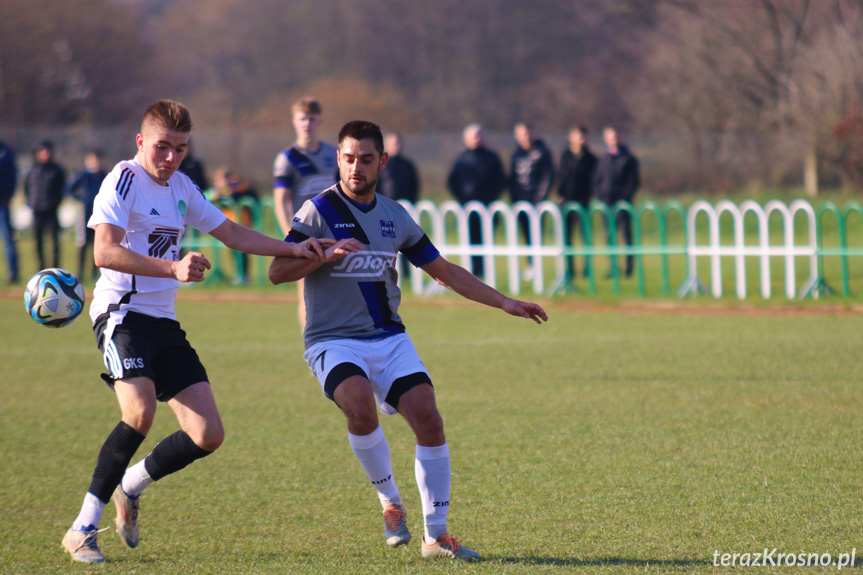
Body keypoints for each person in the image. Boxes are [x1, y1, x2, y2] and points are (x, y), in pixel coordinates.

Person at [60, 100, 331, 564]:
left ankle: (131, 485)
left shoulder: (182, 187)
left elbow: (233, 234)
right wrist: (173, 267)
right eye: (162, 147)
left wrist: (297, 248)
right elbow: (104, 252)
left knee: (207, 434)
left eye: (180, 149)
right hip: (121, 313)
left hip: (163, 321)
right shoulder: (122, 179)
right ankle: (82, 528)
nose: (171, 158)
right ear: (141, 141)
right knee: (140, 412)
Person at [269, 120, 548, 562]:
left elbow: (446, 272)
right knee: (359, 405)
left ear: (382, 161)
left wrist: (504, 301)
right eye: (347, 158)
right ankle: (390, 503)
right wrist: (322, 251)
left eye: (365, 158)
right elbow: (276, 272)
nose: (355, 167)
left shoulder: (394, 215)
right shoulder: (316, 211)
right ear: (337, 160)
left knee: (429, 419)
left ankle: (435, 537)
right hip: (332, 340)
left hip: (388, 337)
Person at [273, 97, 339, 327]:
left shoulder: (334, 154)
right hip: (304, 230)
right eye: (302, 119)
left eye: (311, 119)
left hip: (334, 229)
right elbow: (281, 201)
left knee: (339, 287)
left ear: (319, 120)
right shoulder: (287, 158)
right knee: (306, 290)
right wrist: (292, 236)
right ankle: (311, 343)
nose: (307, 123)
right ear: (294, 121)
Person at [446, 123, 505, 278]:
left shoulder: (492, 158)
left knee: (486, 239)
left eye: (479, 135)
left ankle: (487, 270)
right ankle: (473, 270)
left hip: (488, 207)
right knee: (470, 239)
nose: (477, 138)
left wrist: (492, 197)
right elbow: (452, 181)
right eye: (474, 136)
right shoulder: (461, 159)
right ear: (466, 139)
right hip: (467, 208)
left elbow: (500, 180)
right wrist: (462, 199)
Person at [509, 123, 555, 279]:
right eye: (522, 134)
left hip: (536, 202)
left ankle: (537, 266)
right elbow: (512, 178)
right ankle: (530, 265)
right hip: (520, 202)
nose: (526, 137)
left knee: (537, 234)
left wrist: (539, 199)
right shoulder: (516, 154)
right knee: (526, 235)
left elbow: (548, 176)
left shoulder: (542, 152)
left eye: (528, 133)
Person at [594, 126, 640, 278]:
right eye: (609, 137)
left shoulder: (629, 158)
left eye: (615, 137)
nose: (613, 140)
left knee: (626, 235)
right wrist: (600, 197)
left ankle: (629, 268)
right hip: (606, 203)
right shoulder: (603, 158)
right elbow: (598, 180)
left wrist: (623, 197)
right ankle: (613, 268)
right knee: (609, 236)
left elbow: (633, 182)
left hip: (623, 203)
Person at [556, 126, 597, 279]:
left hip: (583, 200)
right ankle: (569, 270)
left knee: (585, 236)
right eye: (578, 137)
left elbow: (594, 179)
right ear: (571, 137)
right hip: (566, 199)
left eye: (584, 137)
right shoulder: (565, 156)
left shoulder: (591, 158)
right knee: (566, 238)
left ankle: (587, 270)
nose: (581, 140)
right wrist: (559, 193)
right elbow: (560, 175)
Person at [379, 132, 420, 278]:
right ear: (387, 145)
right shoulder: (382, 165)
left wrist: (412, 203)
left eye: (399, 142)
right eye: (394, 143)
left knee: (406, 240)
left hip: (404, 210)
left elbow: (415, 185)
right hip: (385, 210)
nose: (397, 145)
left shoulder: (408, 164)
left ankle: (407, 273)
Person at [209, 167, 260, 284]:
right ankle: (238, 275)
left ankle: (244, 276)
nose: (218, 184)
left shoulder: (239, 187)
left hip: (242, 223)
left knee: (242, 252)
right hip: (229, 225)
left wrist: (221, 197)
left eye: (219, 180)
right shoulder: (224, 190)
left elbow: (237, 198)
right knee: (233, 252)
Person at [67, 150, 108, 283]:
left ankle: (94, 274)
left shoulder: (104, 176)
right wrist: (81, 199)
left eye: (97, 161)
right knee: (83, 243)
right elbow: (69, 188)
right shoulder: (82, 176)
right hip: (84, 213)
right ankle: (80, 273)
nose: (94, 164)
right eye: (92, 160)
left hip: (100, 214)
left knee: (98, 243)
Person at [24, 140, 66, 271]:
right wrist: (31, 202)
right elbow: (26, 188)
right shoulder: (31, 170)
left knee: (55, 241)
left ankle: (55, 268)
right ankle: (40, 268)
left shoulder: (57, 170)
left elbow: (63, 189)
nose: (45, 154)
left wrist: (56, 202)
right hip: (37, 210)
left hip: (52, 210)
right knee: (38, 242)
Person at [0, 140, 19, 284]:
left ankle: (13, 272)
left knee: (8, 240)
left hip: (2, 204)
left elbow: (12, 177)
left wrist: (8, 196)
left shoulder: (7, 153)